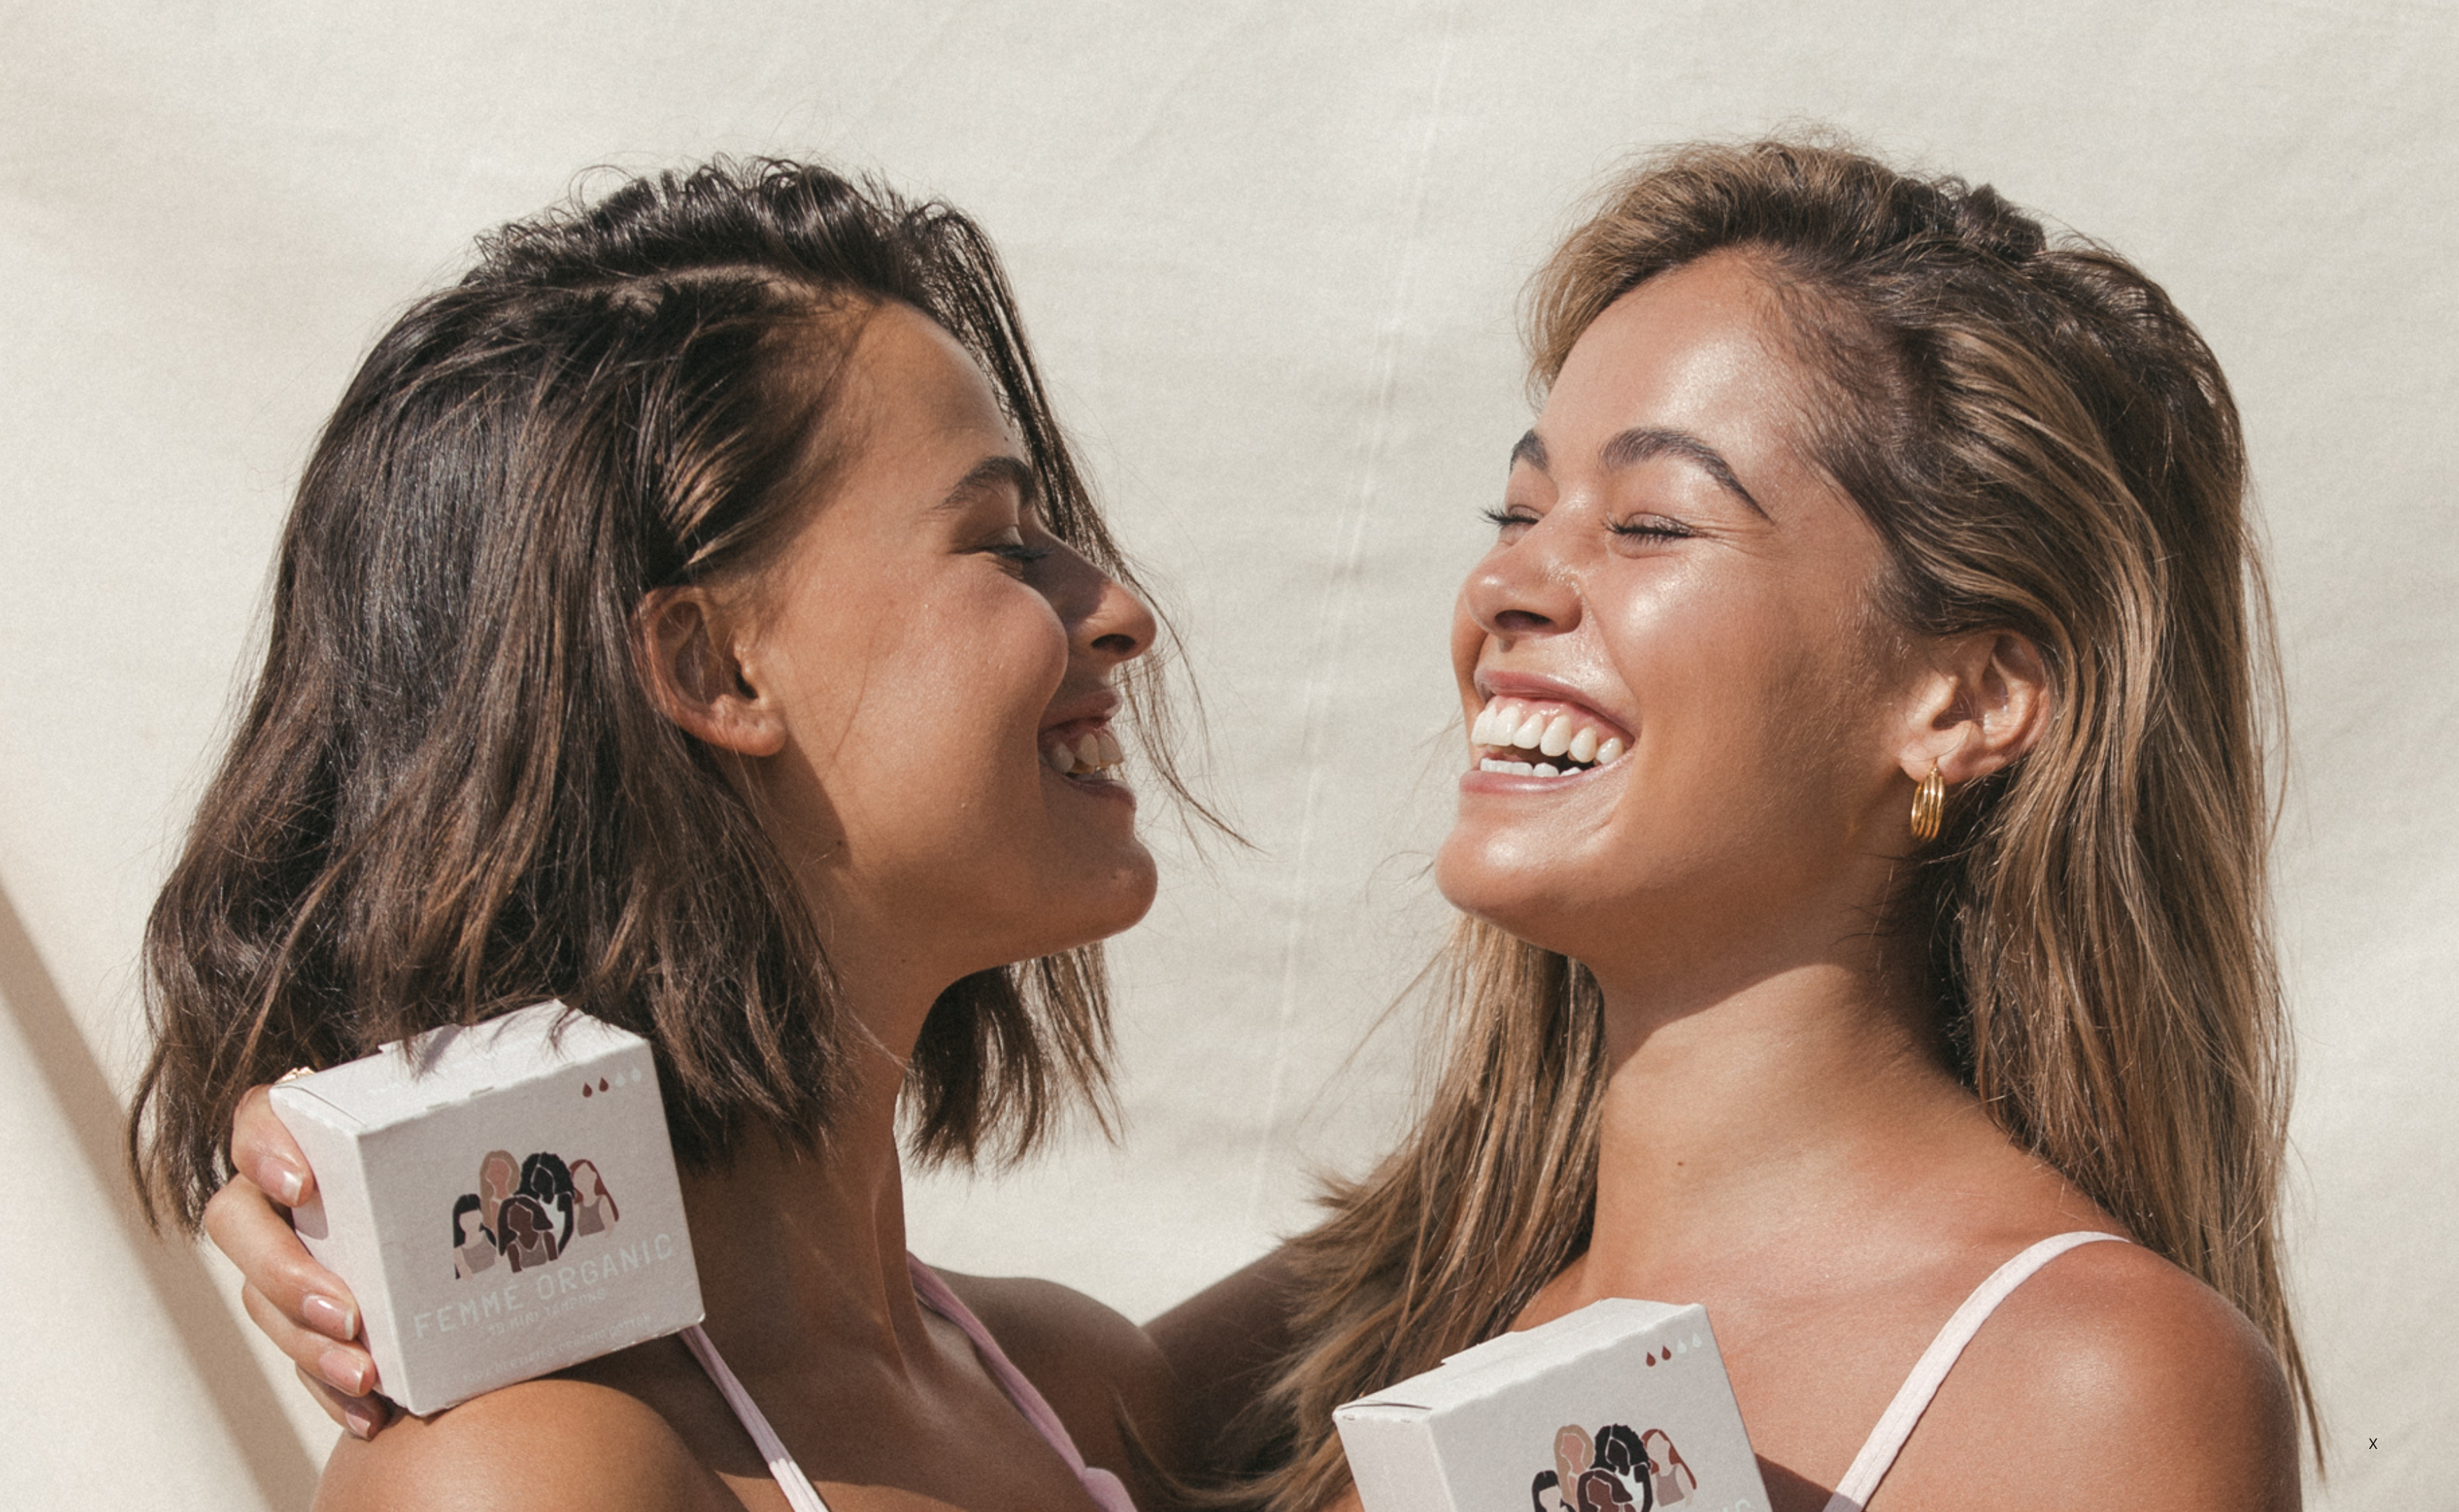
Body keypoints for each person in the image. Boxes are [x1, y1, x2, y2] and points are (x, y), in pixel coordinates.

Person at [213, 138, 2314, 1511]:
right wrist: (366, 1197)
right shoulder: (1324, 1337)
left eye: (1652, 522)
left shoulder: (2085, 1386)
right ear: (706, 669)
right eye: (1517, 511)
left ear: (1969, 693)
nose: (1509, 586)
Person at [130, 158, 1206, 1510]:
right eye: (998, 539)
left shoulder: (1078, 1385)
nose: (1119, 611)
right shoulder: (527, 1476)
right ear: (716, 669)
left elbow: (1437, 1274)